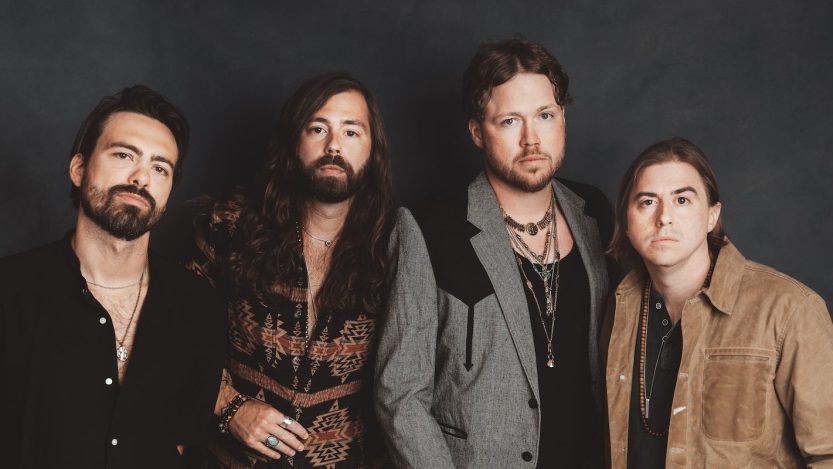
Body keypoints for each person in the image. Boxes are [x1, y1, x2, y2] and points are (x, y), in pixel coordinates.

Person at [375, 36, 612, 468]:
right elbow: (400, 393)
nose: (531, 139)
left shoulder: (595, 212)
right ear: (477, 132)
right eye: (509, 121)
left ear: (563, 117)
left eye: (545, 115)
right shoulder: (426, 229)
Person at [0, 85, 227, 468]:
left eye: (160, 168)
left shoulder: (199, 307)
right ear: (78, 169)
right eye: (124, 155)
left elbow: (184, 444)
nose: (141, 178)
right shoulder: (9, 290)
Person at [186, 72, 394, 468]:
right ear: (293, 141)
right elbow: (173, 335)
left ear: (373, 150)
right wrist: (229, 406)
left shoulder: (394, 248)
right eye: (318, 128)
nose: (334, 146)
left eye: (351, 132)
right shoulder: (230, 227)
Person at [602, 137, 833, 468]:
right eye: (648, 202)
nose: (664, 217)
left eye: (682, 200)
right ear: (626, 221)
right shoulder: (619, 308)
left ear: (712, 215)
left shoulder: (789, 309)